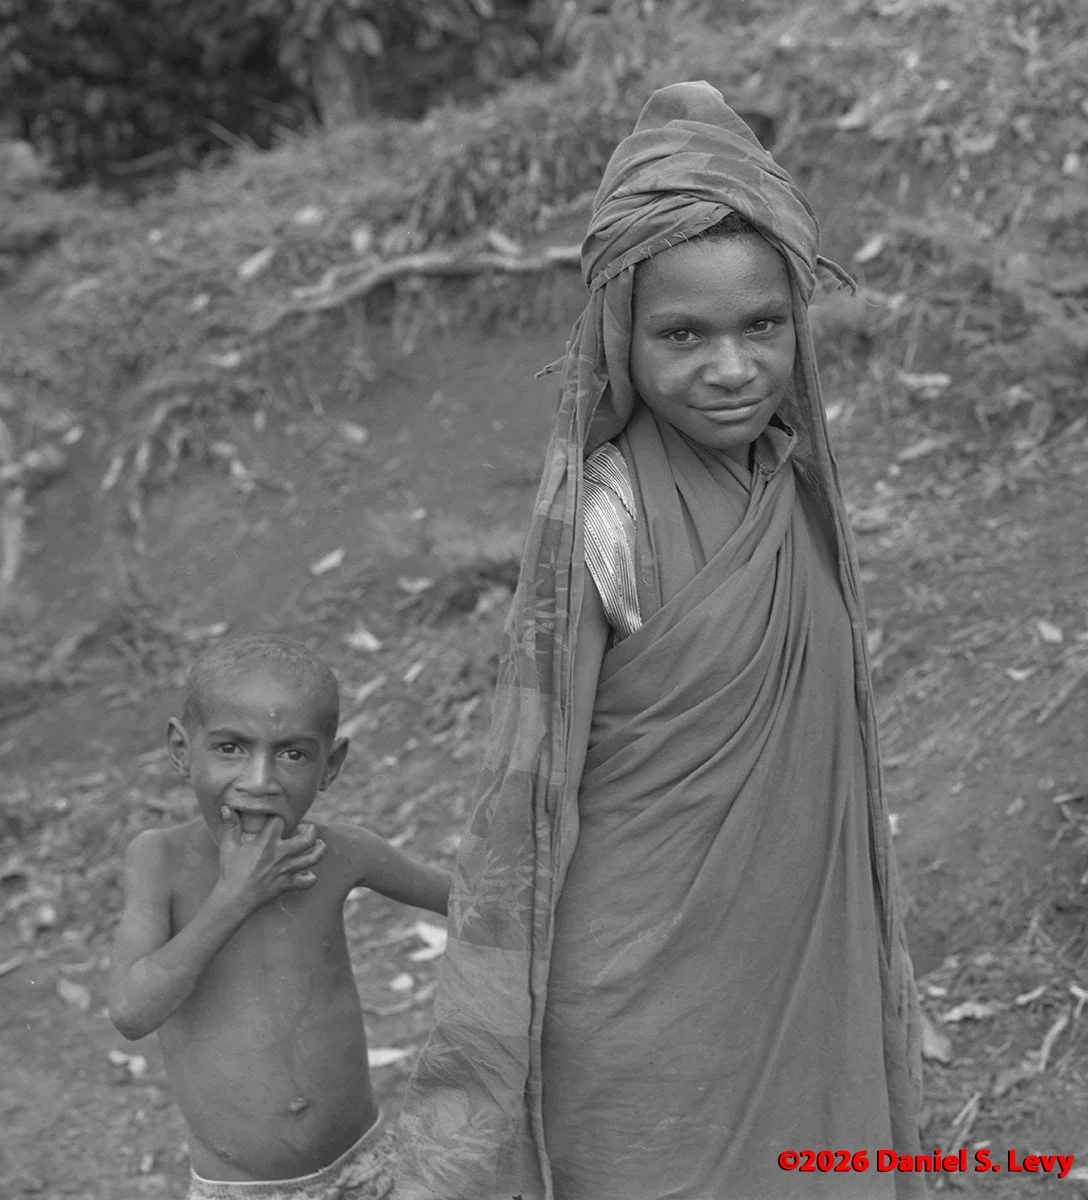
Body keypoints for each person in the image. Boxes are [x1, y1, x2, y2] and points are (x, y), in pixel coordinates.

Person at [394, 81, 926, 1200]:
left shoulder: (790, 493)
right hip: (638, 1001)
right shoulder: (606, 519)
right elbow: (534, 793)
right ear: (616, 336)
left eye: (761, 326)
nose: (730, 368)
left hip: (793, 962)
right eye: (681, 334)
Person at [107, 635, 451, 1200]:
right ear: (180, 750)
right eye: (230, 748)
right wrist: (234, 898)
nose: (260, 780)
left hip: (368, 1166)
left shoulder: (344, 854)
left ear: (331, 764)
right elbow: (131, 1011)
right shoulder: (159, 860)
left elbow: (474, 905)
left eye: (292, 753)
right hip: (241, 1190)